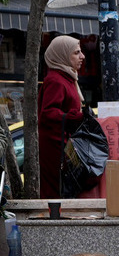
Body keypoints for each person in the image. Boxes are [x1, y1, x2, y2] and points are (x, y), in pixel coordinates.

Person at [38, 35, 86, 200]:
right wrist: (74, 116)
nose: (82, 57)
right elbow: (47, 112)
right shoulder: (56, 80)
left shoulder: (68, 78)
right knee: (57, 190)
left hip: (66, 144)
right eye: (76, 53)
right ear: (63, 55)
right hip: (55, 148)